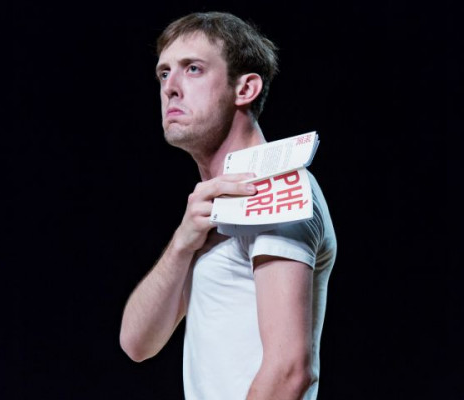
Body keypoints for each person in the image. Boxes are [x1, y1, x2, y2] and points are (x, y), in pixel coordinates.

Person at [119, 11, 337, 400]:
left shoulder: (272, 187)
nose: (171, 88)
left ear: (245, 88)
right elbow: (137, 343)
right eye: (164, 73)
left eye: (193, 69)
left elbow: (289, 371)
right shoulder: (212, 206)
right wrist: (182, 243)